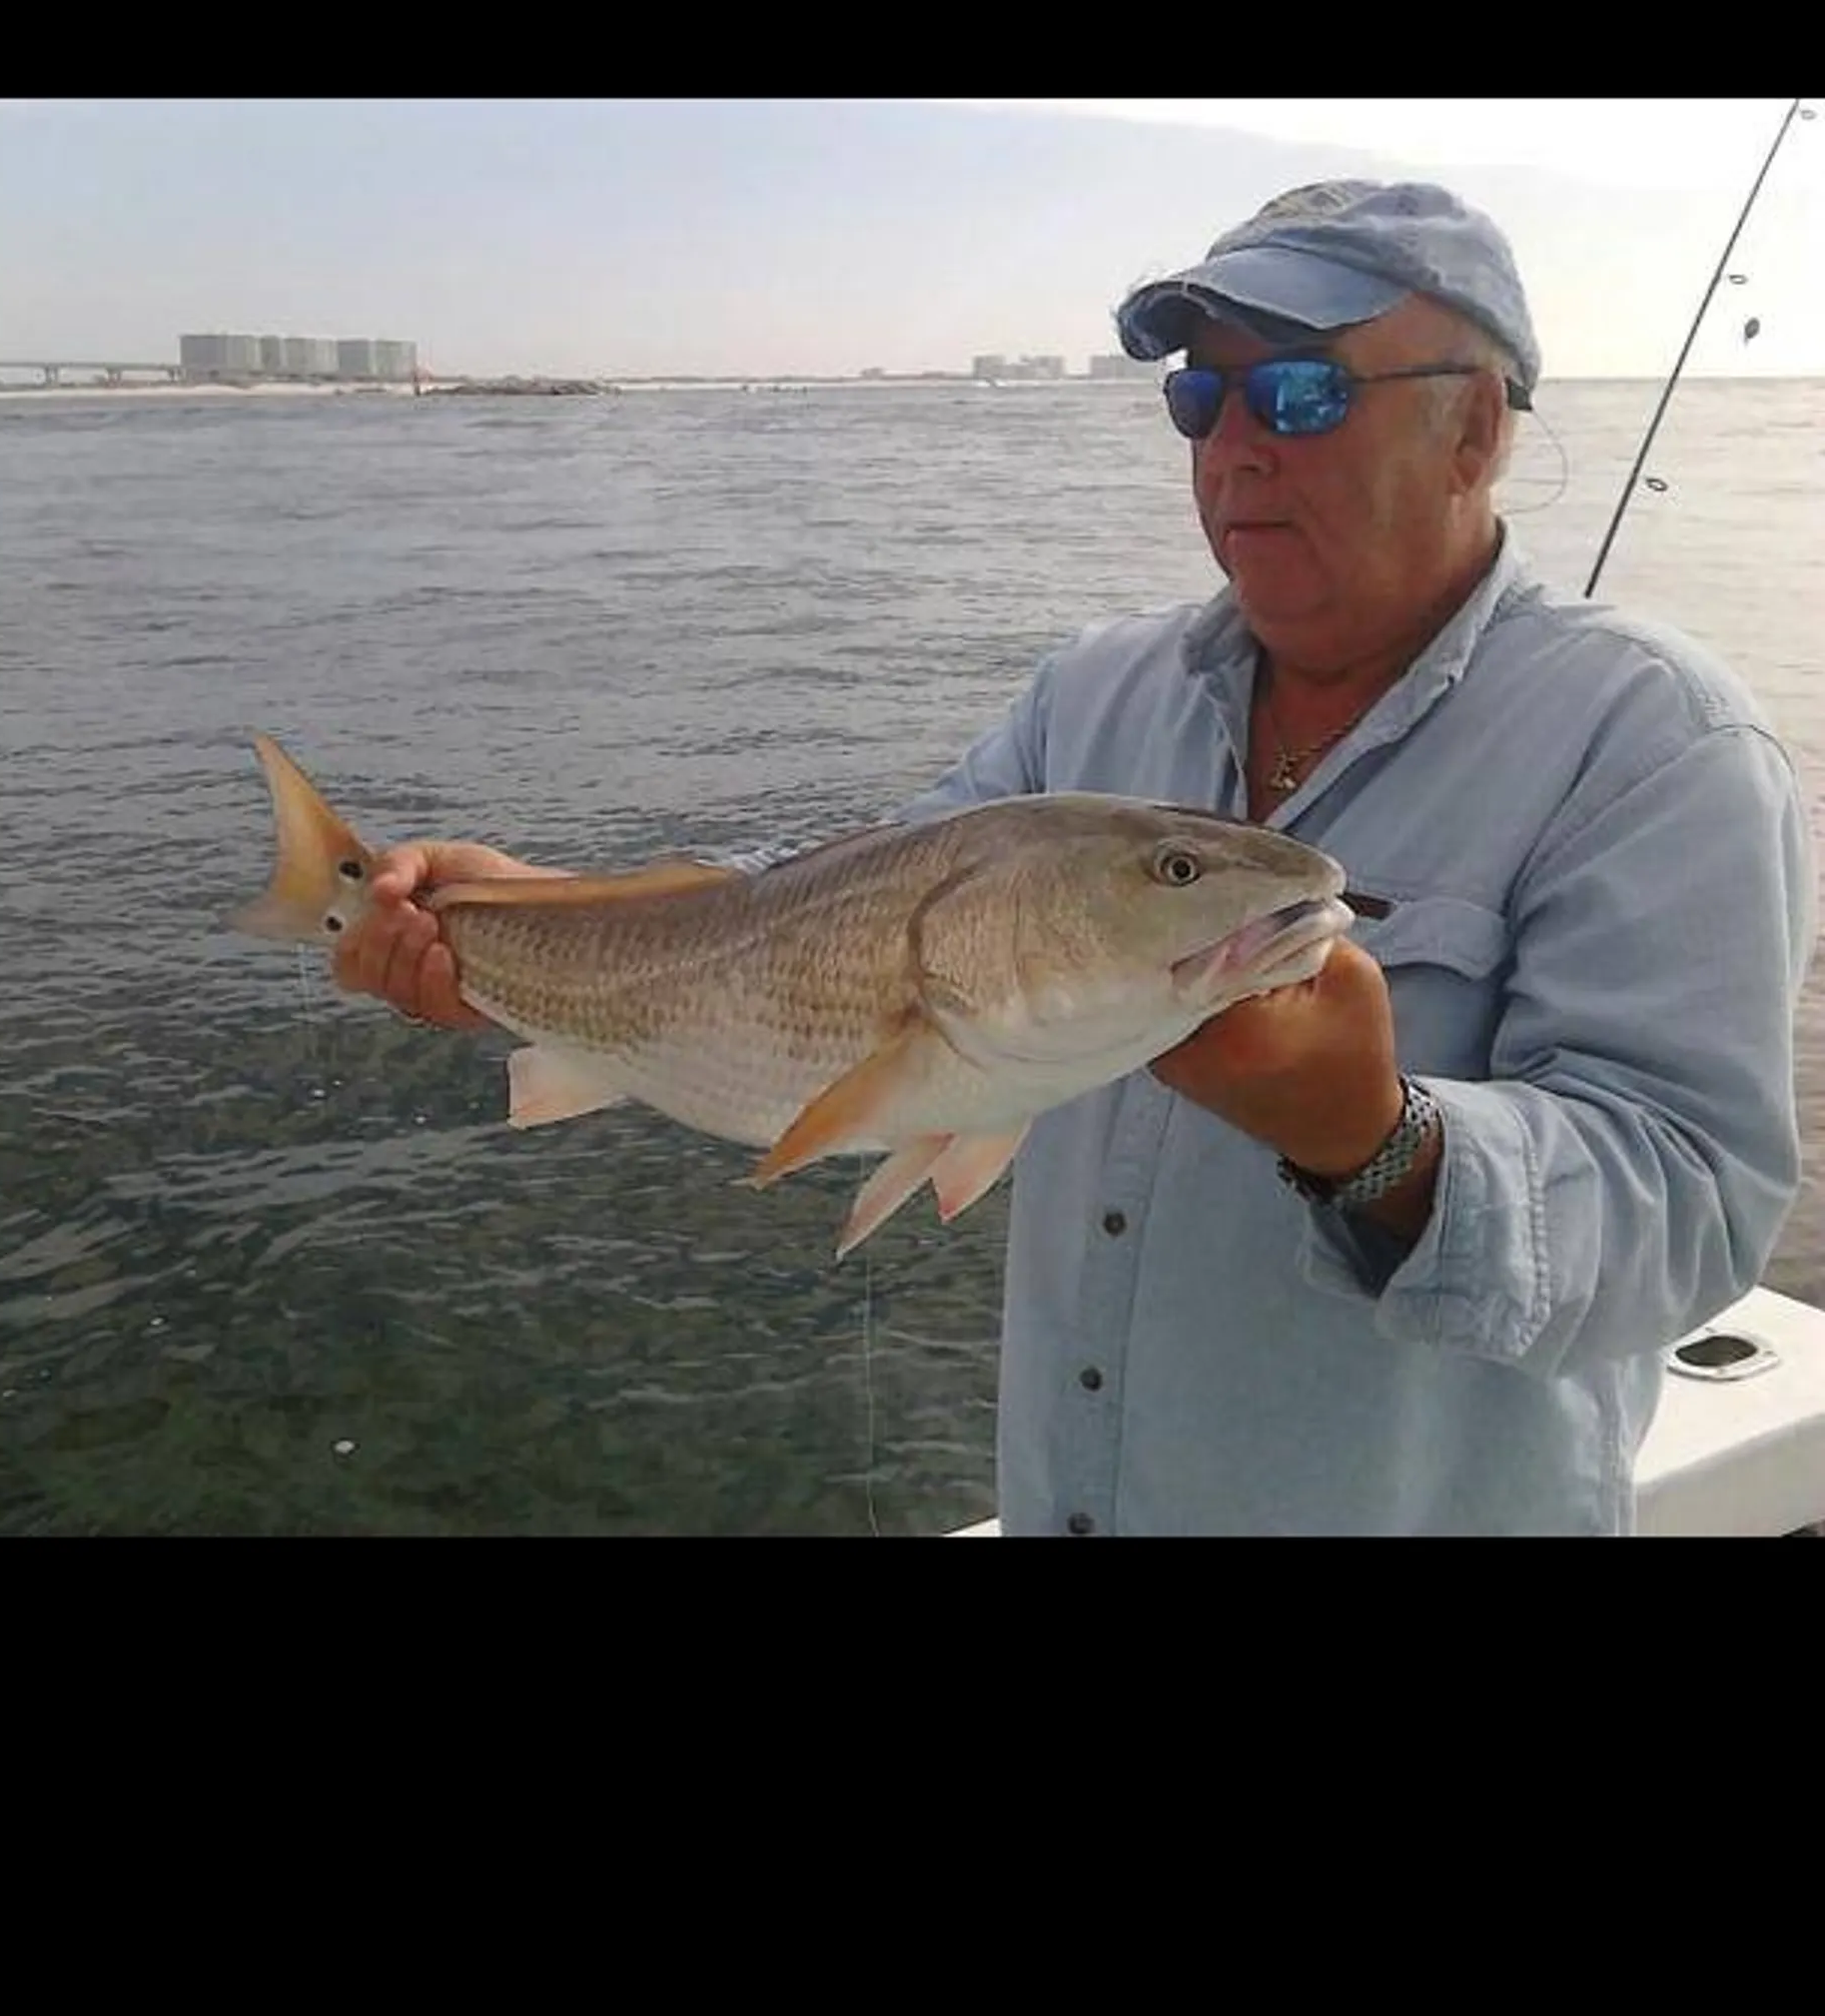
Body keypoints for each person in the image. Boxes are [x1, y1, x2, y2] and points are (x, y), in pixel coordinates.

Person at [332, 177, 1818, 1536]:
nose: (1236, 445)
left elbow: (1692, 1214)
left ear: (1476, 431)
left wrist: (1376, 1139)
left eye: (1301, 390)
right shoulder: (1092, 693)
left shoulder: (1656, 750)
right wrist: (524, 917)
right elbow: (834, 897)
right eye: (1201, 396)